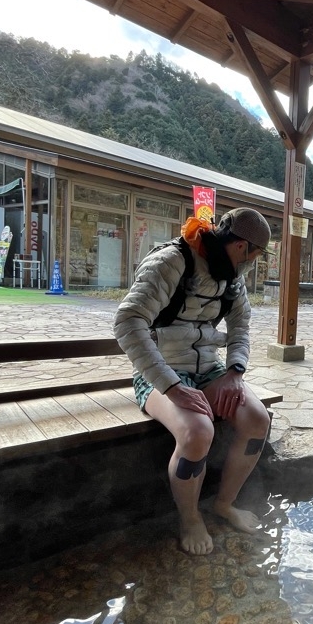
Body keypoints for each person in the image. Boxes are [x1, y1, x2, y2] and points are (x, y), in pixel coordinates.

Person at [114, 207, 272, 556]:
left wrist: (235, 372)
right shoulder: (172, 261)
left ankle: (224, 504)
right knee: (198, 432)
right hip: (159, 372)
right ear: (242, 247)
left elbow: (240, 328)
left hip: (208, 369)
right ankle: (190, 518)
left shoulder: (233, 276)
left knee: (257, 419)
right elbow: (128, 322)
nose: (254, 262)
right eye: (257, 254)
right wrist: (171, 386)